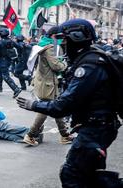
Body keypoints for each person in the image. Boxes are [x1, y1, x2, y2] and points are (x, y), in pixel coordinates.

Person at [16, 19, 122, 187]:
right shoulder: (90, 58)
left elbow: (63, 106)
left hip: (95, 130)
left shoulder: (89, 65)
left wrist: (34, 105)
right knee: (87, 176)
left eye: (64, 40)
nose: (62, 45)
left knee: (72, 175)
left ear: (76, 38)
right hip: (97, 128)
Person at [23, 28, 74, 146]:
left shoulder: (45, 45)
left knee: (55, 108)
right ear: (53, 36)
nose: (62, 39)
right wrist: (65, 65)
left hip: (47, 83)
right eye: (59, 37)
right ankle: (30, 135)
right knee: (46, 109)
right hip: (48, 84)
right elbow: (56, 66)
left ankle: (65, 135)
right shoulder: (50, 48)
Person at [0, 28, 21, 98]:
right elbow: (19, 46)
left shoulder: (0, 42)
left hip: (3, 60)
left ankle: (16, 89)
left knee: (5, 76)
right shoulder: (11, 41)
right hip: (9, 59)